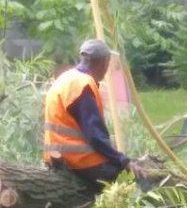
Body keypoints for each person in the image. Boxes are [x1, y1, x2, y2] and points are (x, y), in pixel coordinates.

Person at [43, 38, 145, 189]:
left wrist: (120, 159)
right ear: (104, 62)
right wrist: (124, 161)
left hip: (57, 156)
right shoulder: (83, 86)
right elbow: (96, 137)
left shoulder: (66, 78)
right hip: (79, 161)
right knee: (136, 181)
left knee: (121, 164)